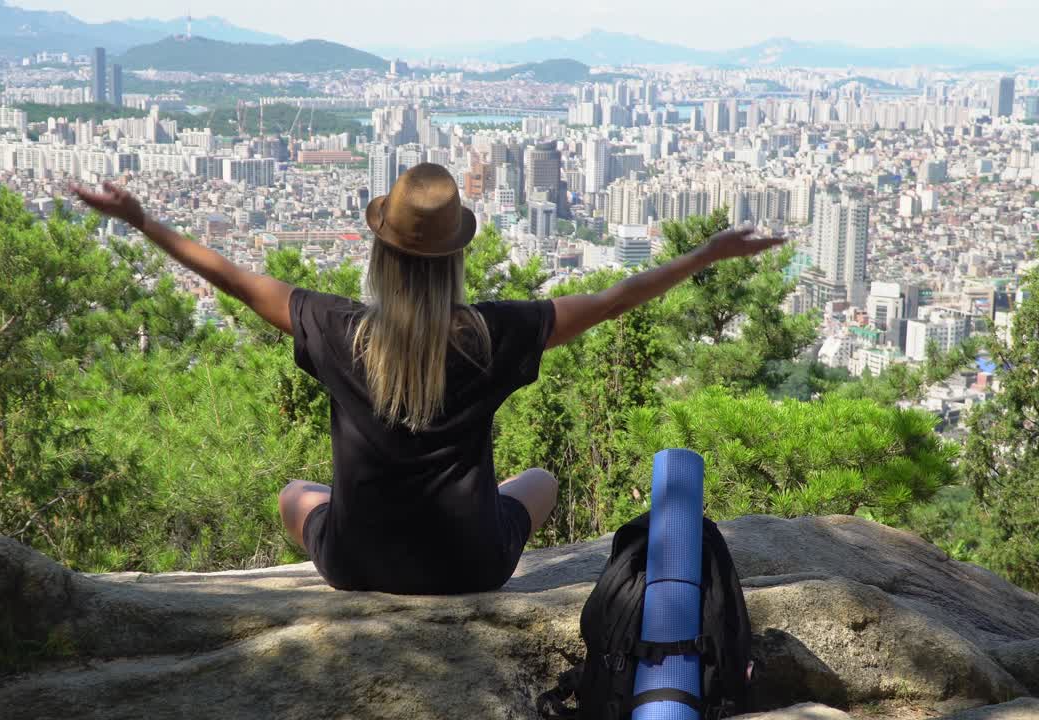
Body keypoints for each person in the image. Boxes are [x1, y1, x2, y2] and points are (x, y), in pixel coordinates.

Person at [72, 163, 783, 595]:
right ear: (455, 259)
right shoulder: (493, 335)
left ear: (381, 253)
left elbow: (231, 280)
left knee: (293, 493)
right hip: (468, 564)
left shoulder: (335, 329)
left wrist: (142, 221)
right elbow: (611, 300)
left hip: (357, 562)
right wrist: (704, 255)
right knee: (539, 482)